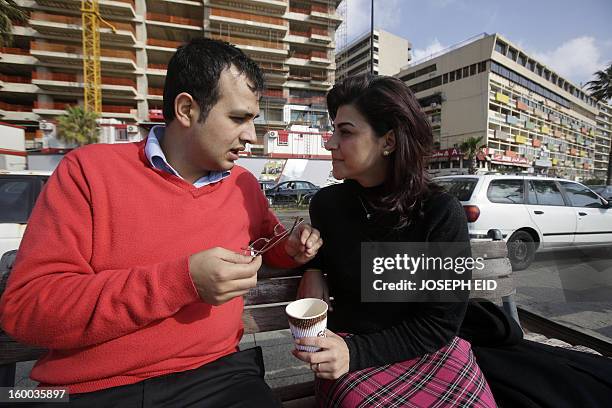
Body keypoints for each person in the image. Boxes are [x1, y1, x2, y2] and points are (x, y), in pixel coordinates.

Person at [0, 38, 322, 407]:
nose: (251, 135)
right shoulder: (88, 172)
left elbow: (271, 244)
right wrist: (181, 280)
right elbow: (28, 310)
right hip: (91, 388)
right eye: (238, 118)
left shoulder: (243, 185)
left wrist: (293, 248)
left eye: (253, 120)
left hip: (220, 375)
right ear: (186, 109)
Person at [292, 74, 497, 407]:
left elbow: (439, 323)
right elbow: (332, 246)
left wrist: (354, 352)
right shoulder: (326, 205)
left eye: (345, 132)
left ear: (388, 141)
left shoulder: (439, 213)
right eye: (334, 130)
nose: (330, 143)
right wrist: (311, 265)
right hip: (347, 351)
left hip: (427, 348)